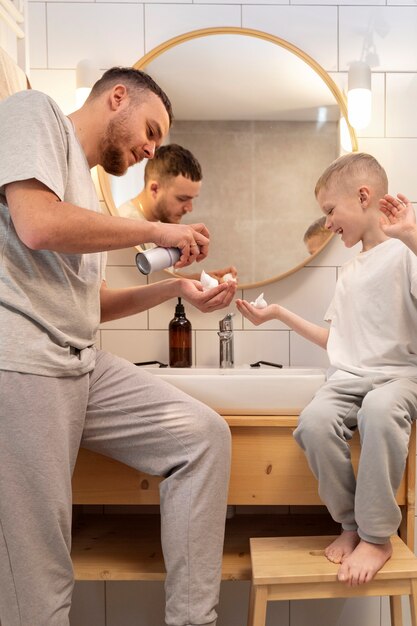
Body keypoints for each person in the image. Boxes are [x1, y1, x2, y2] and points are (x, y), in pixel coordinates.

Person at [0, 67, 237, 626]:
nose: (151, 147)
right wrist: (158, 233)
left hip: (81, 364)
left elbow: (92, 303)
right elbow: (35, 225)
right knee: (39, 573)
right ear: (117, 97)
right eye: (150, 130)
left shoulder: (83, 188)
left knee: (203, 437)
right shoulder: (34, 113)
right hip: (27, 363)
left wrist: (178, 288)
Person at [236, 152, 417, 587]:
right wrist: (278, 313)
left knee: (379, 410)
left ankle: (377, 536)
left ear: (362, 196)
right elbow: (338, 342)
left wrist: (412, 236)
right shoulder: (350, 271)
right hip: (353, 377)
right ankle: (351, 524)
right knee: (314, 422)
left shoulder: (406, 252)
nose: (328, 223)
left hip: (400, 377)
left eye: (330, 211)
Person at [119, 143, 237, 282]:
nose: (189, 208)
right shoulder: (127, 224)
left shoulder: (157, 226)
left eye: (192, 199)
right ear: (155, 189)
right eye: (182, 199)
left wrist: (203, 280)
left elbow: (155, 280)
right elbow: (133, 286)